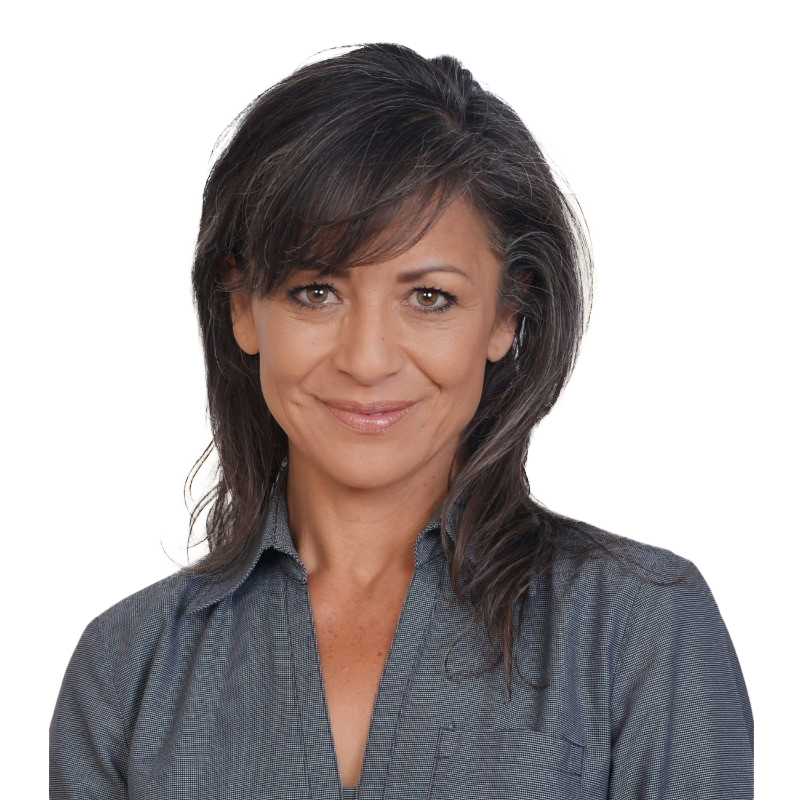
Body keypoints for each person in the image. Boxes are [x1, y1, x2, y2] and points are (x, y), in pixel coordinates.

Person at [50, 43, 754, 799]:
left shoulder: (638, 625)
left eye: (429, 298)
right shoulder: (128, 666)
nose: (367, 359)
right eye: (316, 292)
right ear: (242, 307)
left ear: (507, 315)